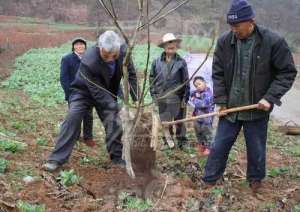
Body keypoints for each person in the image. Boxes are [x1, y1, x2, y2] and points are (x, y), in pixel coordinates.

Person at [202, 0, 297, 192]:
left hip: (256, 109)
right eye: (231, 26)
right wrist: (220, 101)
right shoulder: (224, 42)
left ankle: (255, 183)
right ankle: (210, 180)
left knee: (256, 149)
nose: (234, 30)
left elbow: (287, 72)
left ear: (251, 21)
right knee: (219, 145)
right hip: (231, 109)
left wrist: (269, 98)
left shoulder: (273, 42)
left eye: (237, 25)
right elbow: (218, 73)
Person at [42, 31, 138, 172]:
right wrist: (115, 106)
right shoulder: (89, 59)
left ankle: (116, 157)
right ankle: (56, 159)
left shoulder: (123, 53)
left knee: (113, 121)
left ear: (118, 49)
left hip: (107, 90)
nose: (111, 59)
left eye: (114, 55)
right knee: (73, 117)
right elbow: (97, 91)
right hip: (84, 91)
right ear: (99, 48)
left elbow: (132, 75)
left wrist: (136, 98)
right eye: (106, 55)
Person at [149, 33, 190, 149]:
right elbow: (151, 79)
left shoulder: (181, 62)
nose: (171, 46)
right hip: (162, 97)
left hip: (178, 97)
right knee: (165, 121)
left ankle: (182, 141)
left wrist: (185, 98)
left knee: (179, 121)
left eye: (173, 43)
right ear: (164, 46)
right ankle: (168, 142)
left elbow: (186, 81)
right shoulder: (156, 62)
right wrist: (154, 95)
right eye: (168, 43)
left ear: (176, 46)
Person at [60, 37, 95, 147]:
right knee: (75, 116)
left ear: (85, 46)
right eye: (77, 44)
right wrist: (69, 93)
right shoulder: (67, 59)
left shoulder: (89, 58)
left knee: (88, 115)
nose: (80, 46)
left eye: (82, 44)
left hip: (88, 92)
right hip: (74, 93)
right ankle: (75, 137)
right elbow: (64, 78)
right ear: (74, 47)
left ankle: (88, 137)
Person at [190, 76, 214, 156]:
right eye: (196, 86)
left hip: (206, 118)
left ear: (204, 83)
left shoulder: (208, 93)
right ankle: (201, 145)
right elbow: (191, 94)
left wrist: (194, 99)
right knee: (198, 132)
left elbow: (203, 104)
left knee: (207, 132)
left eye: (199, 84)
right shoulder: (197, 92)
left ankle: (209, 147)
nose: (198, 87)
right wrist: (194, 95)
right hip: (197, 117)